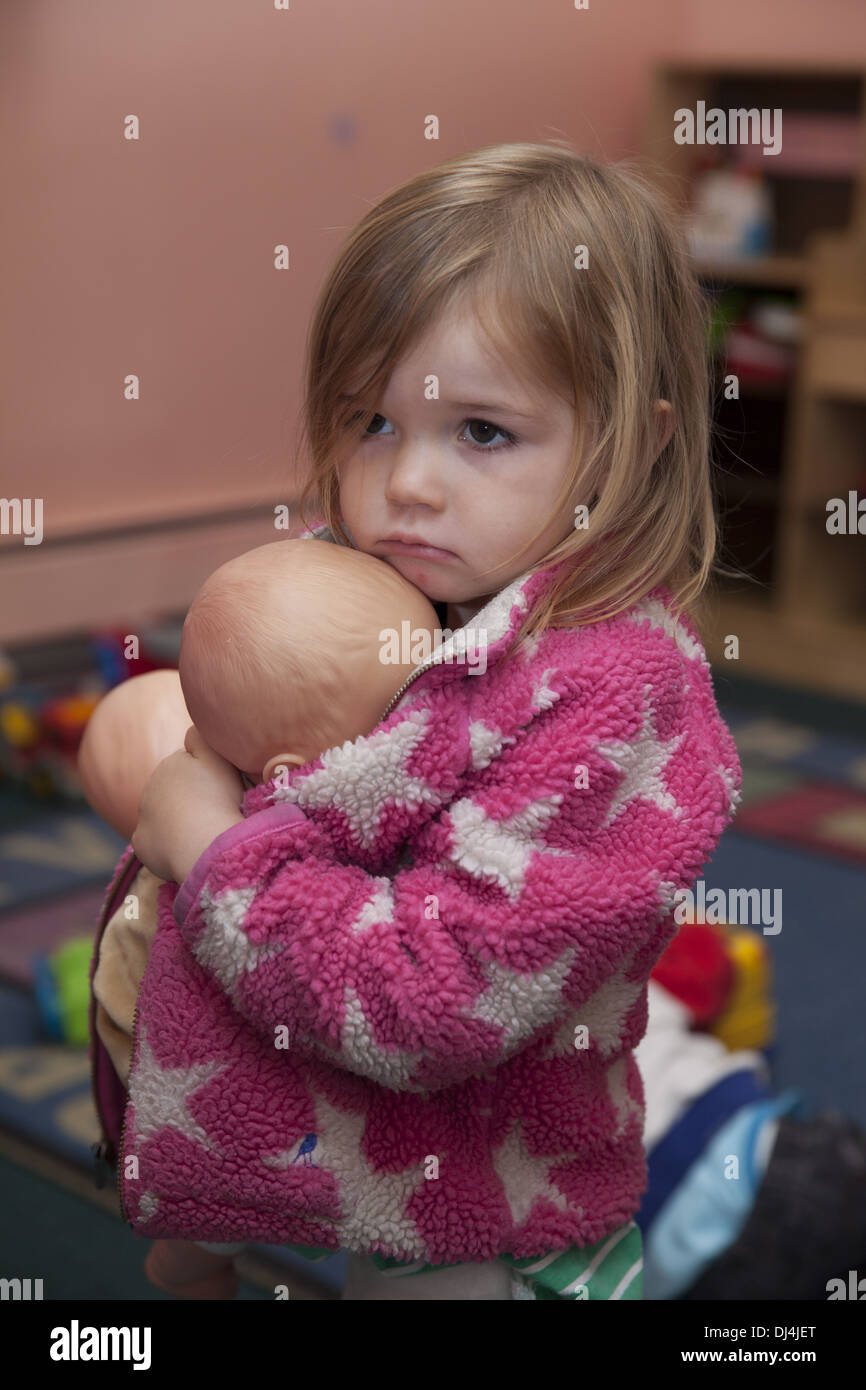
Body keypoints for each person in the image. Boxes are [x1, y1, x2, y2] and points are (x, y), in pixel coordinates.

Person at [102, 141, 743, 1301]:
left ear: (632, 444)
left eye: (482, 433)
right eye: (371, 423)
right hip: (332, 1151)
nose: (406, 485)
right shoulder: (396, 579)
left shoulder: (613, 698)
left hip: (483, 1212)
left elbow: (425, 998)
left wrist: (209, 844)